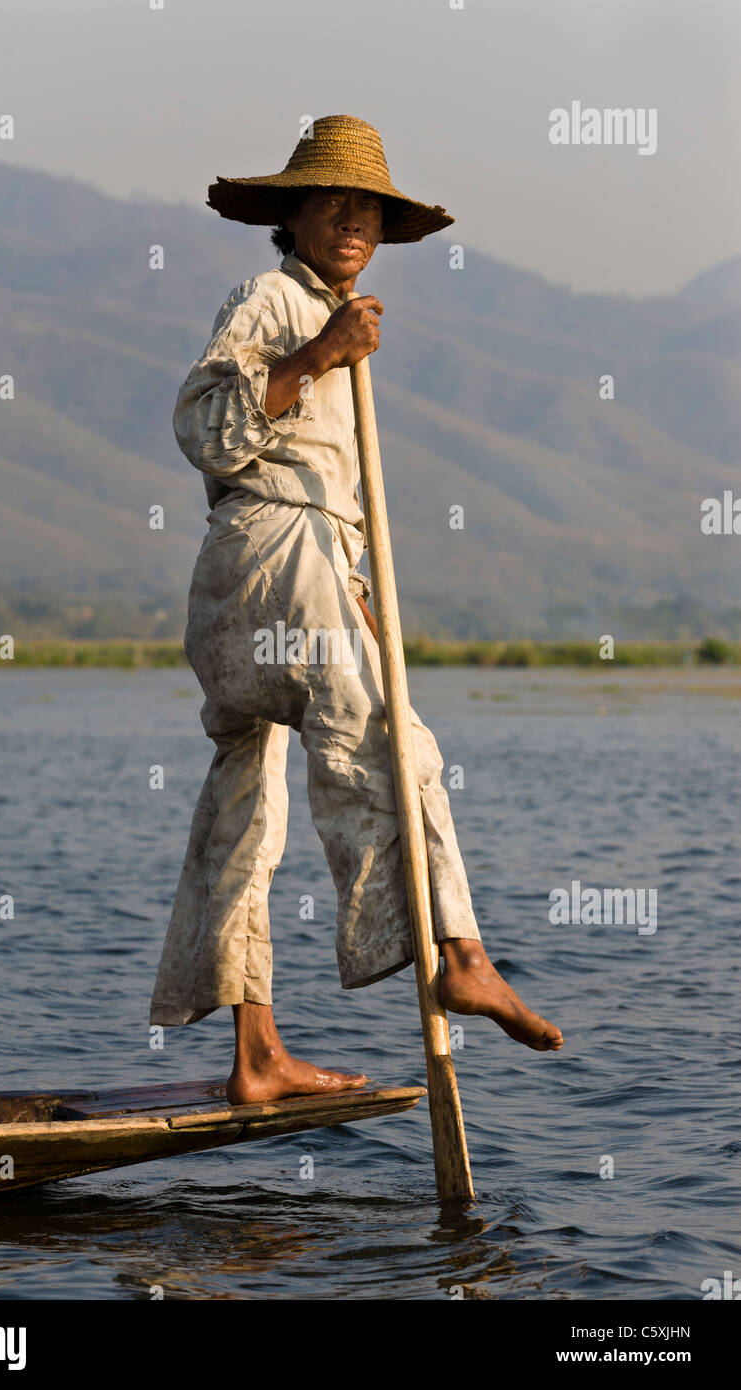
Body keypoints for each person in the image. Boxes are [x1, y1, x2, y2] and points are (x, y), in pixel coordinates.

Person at [149, 115, 563, 1103]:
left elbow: (333, 485)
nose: (351, 219)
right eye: (331, 201)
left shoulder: (326, 311)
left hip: (284, 573)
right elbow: (204, 428)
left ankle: (255, 1054)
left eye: (366, 206)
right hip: (269, 563)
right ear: (289, 216)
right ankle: (453, 948)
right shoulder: (269, 299)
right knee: (388, 738)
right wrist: (320, 353)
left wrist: (360, 592)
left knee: (245, 803)